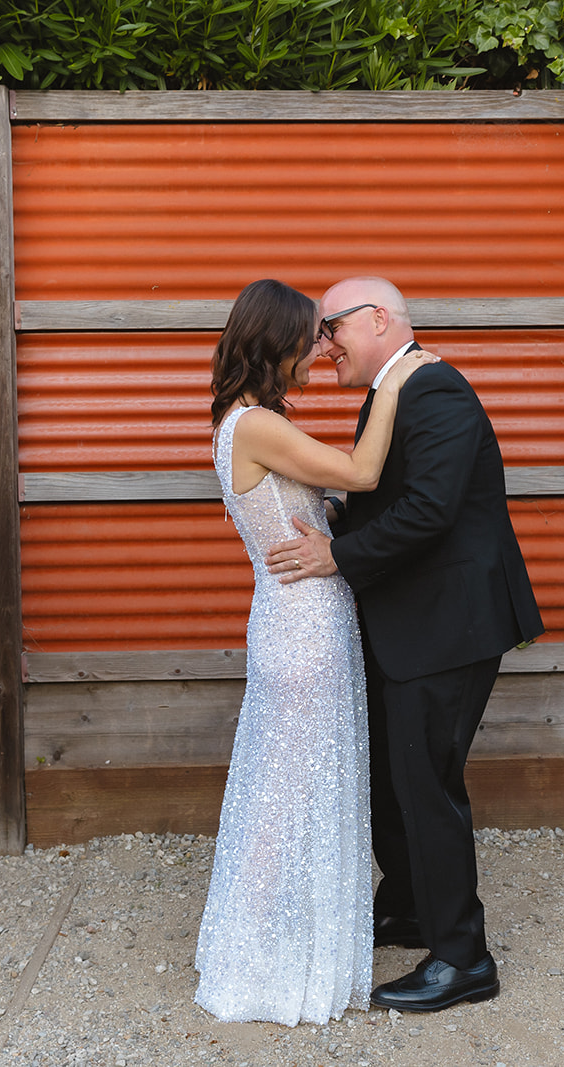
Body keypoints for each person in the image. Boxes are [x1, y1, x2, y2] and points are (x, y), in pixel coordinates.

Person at [266, 276, 545, 1014]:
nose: (323, 346)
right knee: (394, 776)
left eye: (332, 329)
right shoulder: (391, 391)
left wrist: (337, 557)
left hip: (449, 628)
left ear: (378, 319)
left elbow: (430, 509)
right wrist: (331, 511)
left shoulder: (436, 390)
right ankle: (412, 906)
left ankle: (463, 957)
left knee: (428, 786)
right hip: (410, 625)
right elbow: (386, 492)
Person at [195, 278, 435, 1026]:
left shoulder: (252, 422)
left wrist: (329, 521)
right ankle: (260, 954)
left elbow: (324, 501)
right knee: (284, 797)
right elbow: (362, 472)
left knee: (289, 789)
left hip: (300, 622)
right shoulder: (254, 425)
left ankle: (269, 939)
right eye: (312, 337)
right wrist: (400, 370)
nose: (323, 349)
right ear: (278, 343)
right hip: (303, 631)